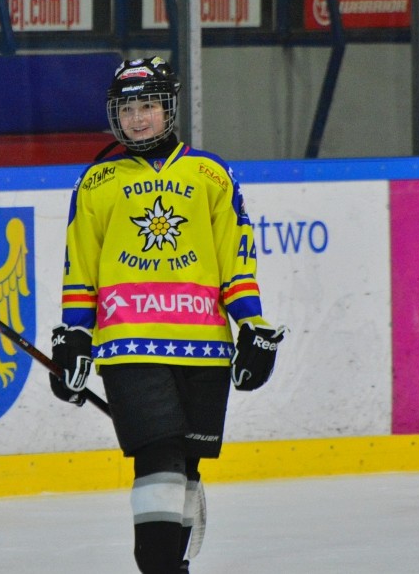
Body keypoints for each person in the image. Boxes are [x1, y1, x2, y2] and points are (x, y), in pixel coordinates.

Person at [49, 56, 286, 573]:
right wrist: (75, 335)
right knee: (157, 458)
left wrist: (252, 325)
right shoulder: (97, 181)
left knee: (185, 465)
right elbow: (80, 268)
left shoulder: (211, 174)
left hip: (205, 348)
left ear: (169, 108)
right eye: (126, 109)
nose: (137, 119)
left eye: (148, 106)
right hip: (129, 345)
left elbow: (236, 262)